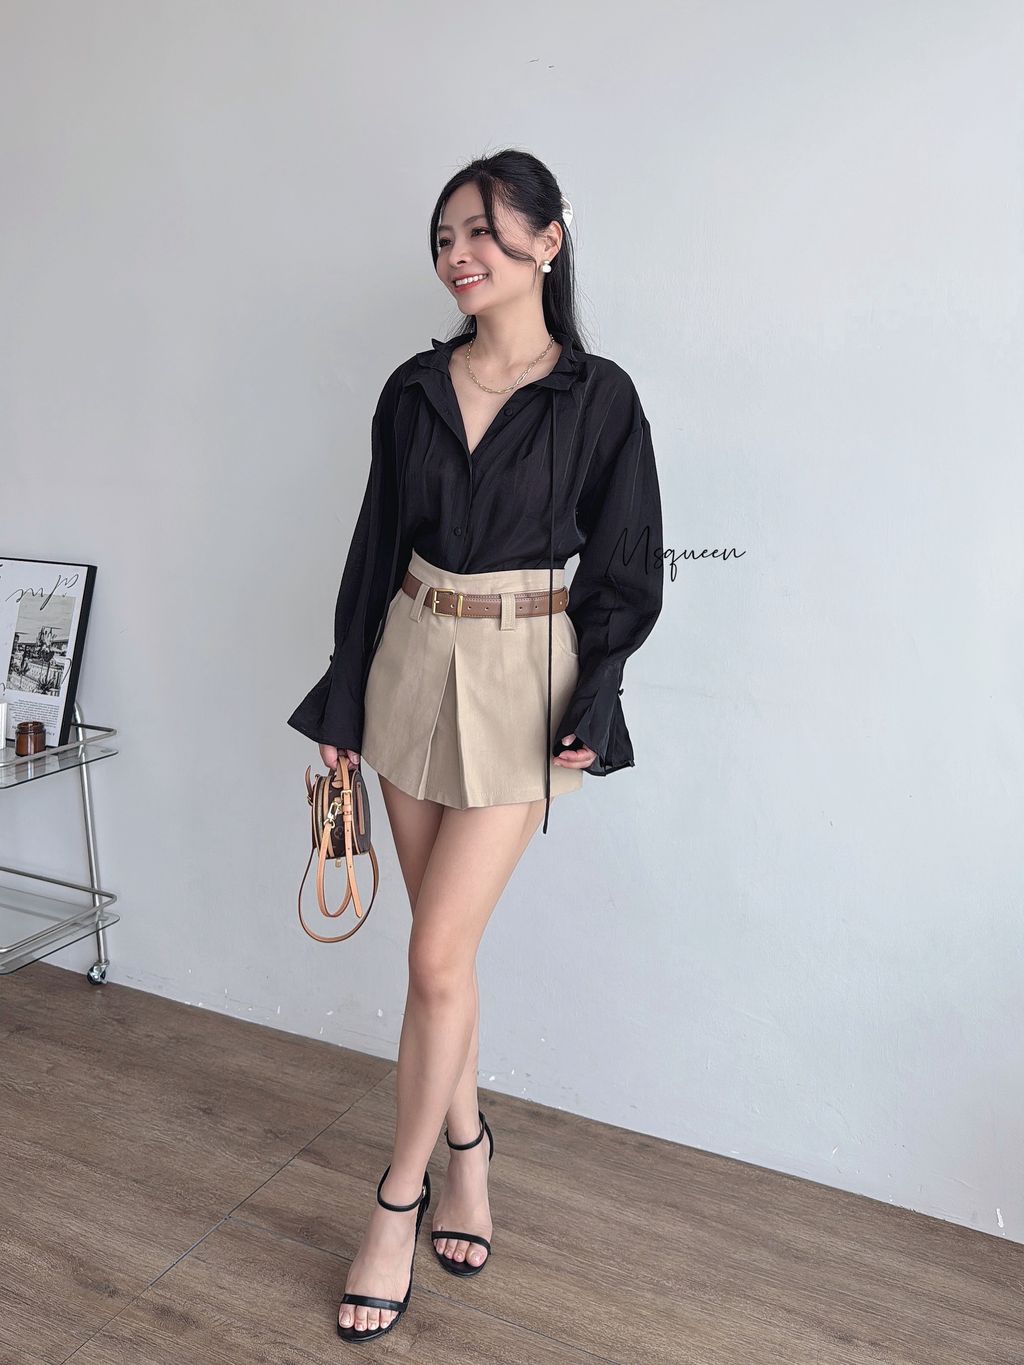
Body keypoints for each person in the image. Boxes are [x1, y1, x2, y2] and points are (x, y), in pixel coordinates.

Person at [287, 149, 664, 1343]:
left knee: (436, 955)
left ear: (549, 241)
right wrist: (343, 703)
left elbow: (624, 566)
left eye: (487, 232)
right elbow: (370, 552)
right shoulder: (413, 388)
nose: (461, 254)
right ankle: (468, 1146)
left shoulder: (598, 398)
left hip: (519, 676)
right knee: (435, 964)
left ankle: (395, 1202)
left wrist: (593, 696)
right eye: (447, 234)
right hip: (408, 655)